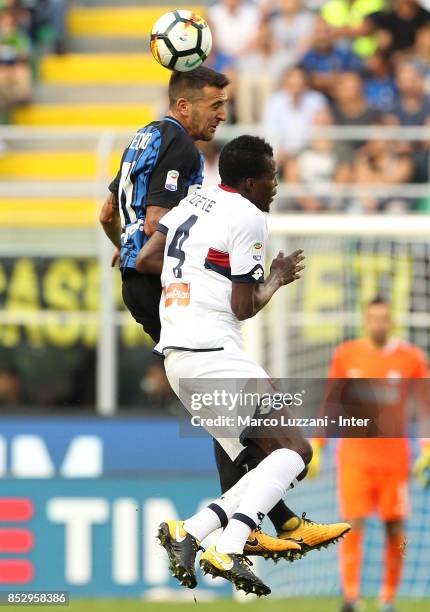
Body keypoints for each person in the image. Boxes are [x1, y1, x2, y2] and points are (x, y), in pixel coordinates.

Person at [100, 67, 347, 563]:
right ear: (185, 105)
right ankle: (242, 536)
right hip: (201, 338)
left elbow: (115, 219)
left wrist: (144, 258)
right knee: (286, 449)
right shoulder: (190, 157)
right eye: (216, 105)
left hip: (162, 319)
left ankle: (221, 529)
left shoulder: (151, 146)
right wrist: (273, 277)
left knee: (245, 440)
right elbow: (241, 303)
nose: (222, 114)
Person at [136, 135, 351, 595]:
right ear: (251, 181)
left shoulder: (197, 198)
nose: (276, 185)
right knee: (296, 453)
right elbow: (242, 306)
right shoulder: (250, 216)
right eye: (272, 176)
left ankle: (190, 532)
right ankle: (231, 545)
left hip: (178, 358)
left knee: (265, 462)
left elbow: (147, 258)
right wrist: (275, 278)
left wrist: (194, 273)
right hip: (214, 350)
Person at [310, 297, 430, 612]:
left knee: (396, 530)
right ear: (366, 320)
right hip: (355, 458)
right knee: (352, 524)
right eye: (373, 318)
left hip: (395, 461)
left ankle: (388, 598)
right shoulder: (347, 355)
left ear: (392, 321)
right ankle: (351, 597)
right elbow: (330, 402)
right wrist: (318, 444)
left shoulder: (411, 359)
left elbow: (425, 407)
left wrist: (427, 449)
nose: (378, 323)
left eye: (383, 318)